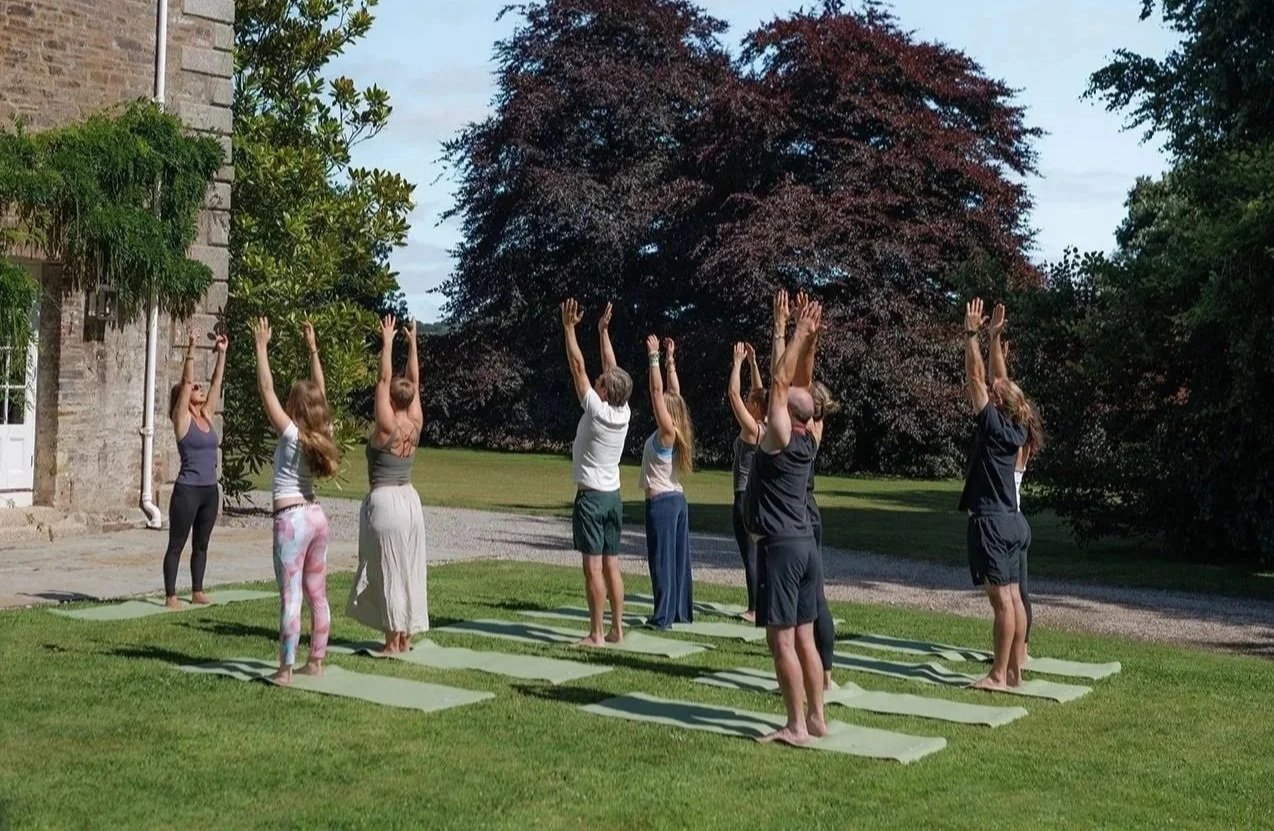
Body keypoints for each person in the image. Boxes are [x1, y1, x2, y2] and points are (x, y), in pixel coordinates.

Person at [744, 291, 827, 745]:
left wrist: (793, 332)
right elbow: (798, 383)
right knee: (806, 639)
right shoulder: (809, 434)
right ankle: (817, 717)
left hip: (780, 548)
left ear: (788, 413)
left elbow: (779, 383)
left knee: (781, 642)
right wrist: (803, 337)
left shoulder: (776, 436)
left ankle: (796, 726)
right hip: (805, 546)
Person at [252, 317, 340, 685]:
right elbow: (320, 392)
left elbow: (266, 389)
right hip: (316, 517)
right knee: (317, 593)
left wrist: (261, 346)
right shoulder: (323, 433)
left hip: (291, 520)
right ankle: (315, 661)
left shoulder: (291, 435)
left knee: (291, 596)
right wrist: (313, 348)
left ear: (295, 409)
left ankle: (285, 669)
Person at [959, 298, 1034, 690]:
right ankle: (1015, 671)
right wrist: (993, 339)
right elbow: (998, 381)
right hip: (1014, 520)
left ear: (998, 402)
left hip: (993, 521)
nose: (991, 385)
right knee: (1015, 599)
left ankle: (997, 676)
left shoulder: (992, 424)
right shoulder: (1016, 426)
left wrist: (971, 334)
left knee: (1002, 601)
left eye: (995, 390)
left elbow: (976, 379)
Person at [347, 314, 429, 654]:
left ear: (391, 399)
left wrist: (388, 341)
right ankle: (405, 637)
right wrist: (412, 343)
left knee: (389, 571)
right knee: (409, 570)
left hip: (386, 501)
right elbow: (414, 380)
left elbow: (383, 379)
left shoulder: (386, 425)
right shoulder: (415, 422)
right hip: (411, 501)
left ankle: (392, 642)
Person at [561, 298, 633, 646]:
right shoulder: (623, 412)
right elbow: (612, 368)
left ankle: (596, 634)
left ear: (604, 391)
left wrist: (569, 328)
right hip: (613, 498)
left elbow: (578, 366)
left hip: (591, 499)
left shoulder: (596, 411)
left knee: (592, 568)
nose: (599, 381)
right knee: (612, 566)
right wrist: (603, 331)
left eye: (602, 382)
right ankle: (617, 629)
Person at [987, 309, 1045, 654]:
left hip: (1005, 517)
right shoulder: (1022, 432)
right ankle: (1019, 652)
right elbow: (1003, 388)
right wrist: (993, 340)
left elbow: (998, 387)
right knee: (1020, 592)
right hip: (1017, 521)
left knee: (1011, 595)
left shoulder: (1011, 437)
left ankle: (1014, 655)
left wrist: (992, 339)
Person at [163, 328, 227, 609]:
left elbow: (216, 382)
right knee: (177, 543)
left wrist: (222, 354)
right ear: (185, 397)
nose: (199, 388)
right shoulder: (182, 420)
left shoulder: (207, 415)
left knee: (201, 544)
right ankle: (171, 595)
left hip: (209, 491)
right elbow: (187, 380)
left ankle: (197, 590)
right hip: (187, 490)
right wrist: (191, 345)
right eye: (195, 389)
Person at [641, 335, 695, 629]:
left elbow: (657, 390)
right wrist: (671, 359)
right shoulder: (677, 431)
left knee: (661, 562)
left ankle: (662, 618)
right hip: (676, 499)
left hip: (661, 502)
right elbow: (673, 392)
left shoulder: (667, 433)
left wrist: (653, 357)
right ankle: (679, 613)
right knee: (676, 562)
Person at [727, 341, 765, 623]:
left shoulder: (752, 429)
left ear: (754, 407)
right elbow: (759, 394)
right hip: (759, 498)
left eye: (751, 400)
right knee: (758, 553)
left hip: (744, 498)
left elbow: (733, 394)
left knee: (749, 554)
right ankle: (760, 604)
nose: (747, 398)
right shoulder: (767, 426)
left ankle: (754, 609)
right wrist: (753, 364)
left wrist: (738, 361)